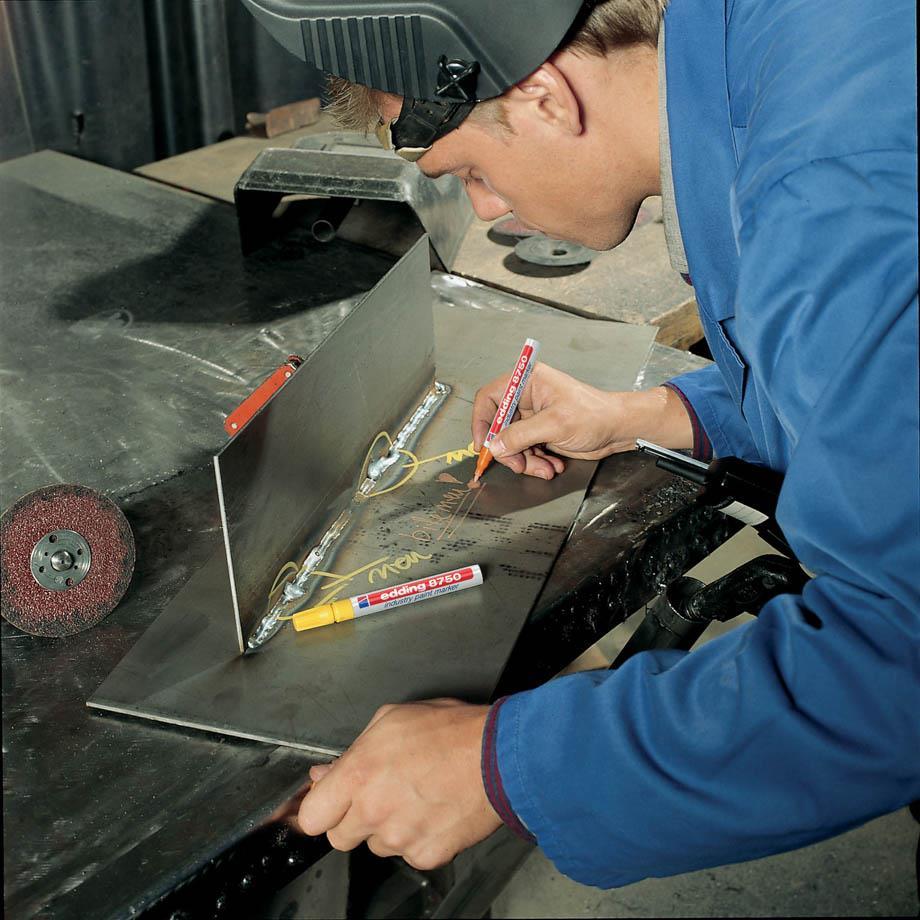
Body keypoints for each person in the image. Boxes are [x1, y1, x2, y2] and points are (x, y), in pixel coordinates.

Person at [241, 0, 919, 887]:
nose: (486, 209)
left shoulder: (831, 189)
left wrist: (499, 767)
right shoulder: (776, 47)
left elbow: (900, 662)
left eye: (472, 171)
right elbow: (866, 383)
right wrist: (647, 415)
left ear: (546, 99)